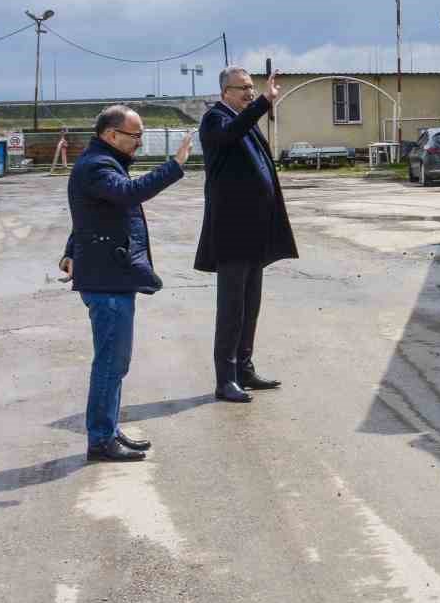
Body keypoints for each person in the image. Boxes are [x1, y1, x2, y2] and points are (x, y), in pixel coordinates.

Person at [59, 106, 193, 463]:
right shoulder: (97, 167)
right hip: (106, 281)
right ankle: (100, 440)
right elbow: (129, 193)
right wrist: (174, 166)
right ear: (111, 135)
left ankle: (108, 430)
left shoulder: (101, 164)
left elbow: (88, 218)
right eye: (135, 136)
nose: (139, 143)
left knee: (116, 362)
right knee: (109, 362)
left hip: (110, 276)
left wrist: (70, 251)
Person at [194, 66, 297, 403]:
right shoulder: (216, 120)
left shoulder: (242, 120)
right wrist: (264, 103)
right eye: (243, 88)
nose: (249, 93)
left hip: (254, 232)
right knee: (231, 308)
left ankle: (244, 370)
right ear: (225, 91)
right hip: (232, 232)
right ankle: (225, 379)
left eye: (252, 88)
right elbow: (230, 135)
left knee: (250, 305)